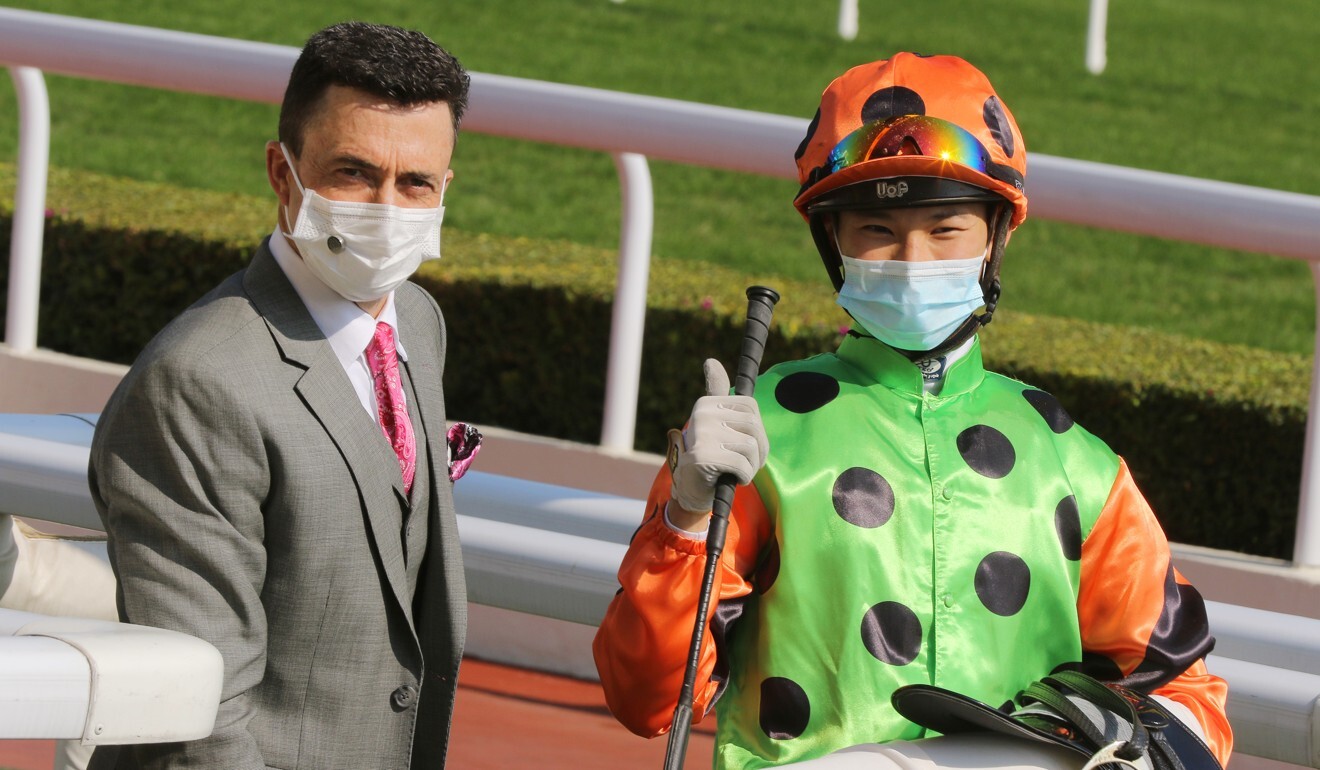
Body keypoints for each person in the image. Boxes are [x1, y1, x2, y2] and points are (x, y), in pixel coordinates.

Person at [592, 53, 1232, 770]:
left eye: (944, 227)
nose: (913, 257)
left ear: (997, 236)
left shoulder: (1080, 467)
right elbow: (644, 699)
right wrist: (683, 520)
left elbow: (1185, 691)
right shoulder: (757, 436)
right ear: (834, 243)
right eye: (877, 230)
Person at [88, 21, 474, 770]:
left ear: (445, 189)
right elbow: (198, 712)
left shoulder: (418, 322)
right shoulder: (195, 383)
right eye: (354, 173)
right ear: (280, 170)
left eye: (415, 183)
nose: (387, 208)